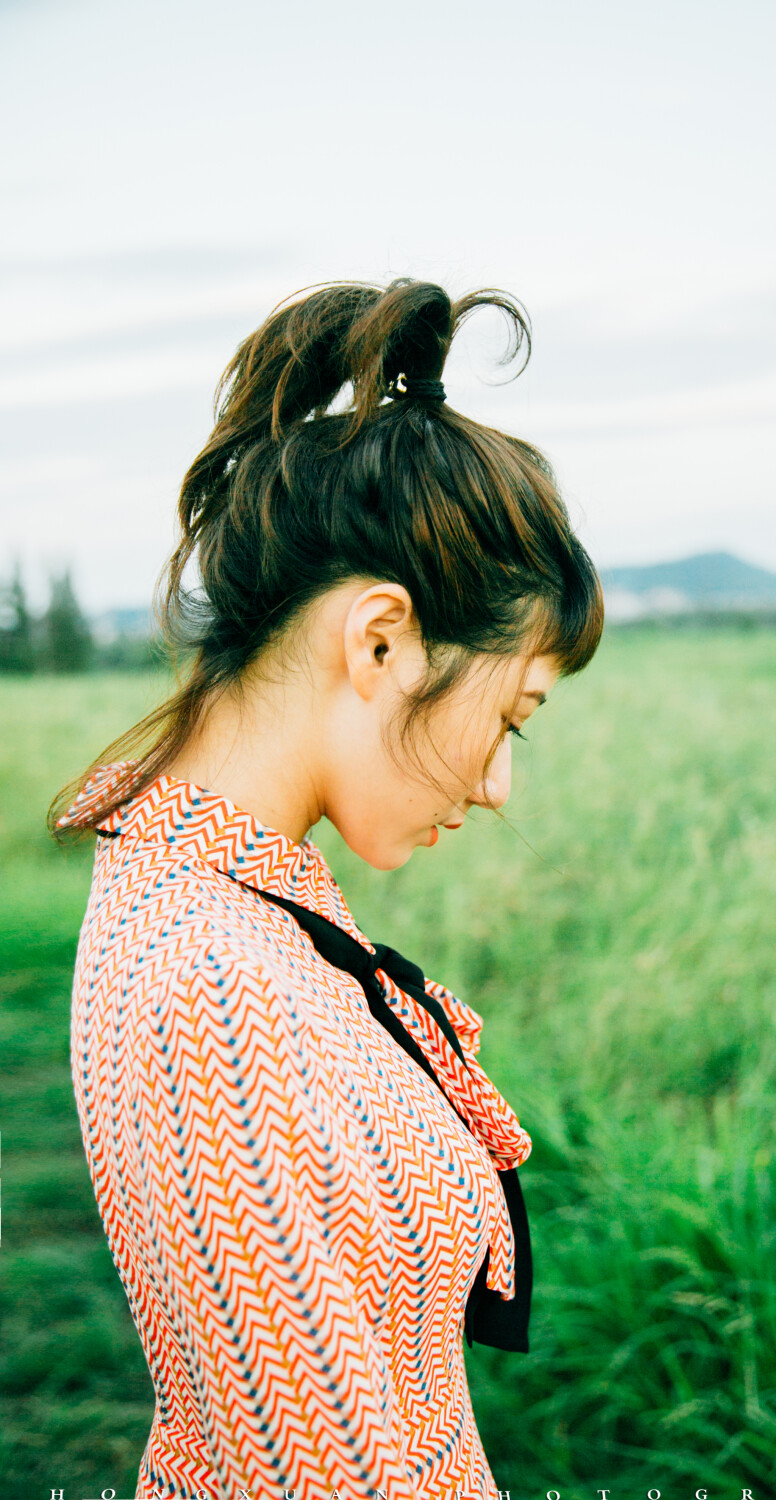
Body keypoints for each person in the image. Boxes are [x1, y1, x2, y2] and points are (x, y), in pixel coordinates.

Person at [50, 277, 604, 1500]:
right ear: (380, 641)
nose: (502, 782)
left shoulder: (243, 901)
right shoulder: (211, 982)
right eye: (510, 715)